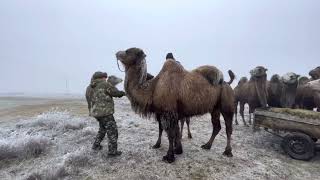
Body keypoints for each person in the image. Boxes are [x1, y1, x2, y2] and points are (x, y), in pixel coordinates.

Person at [85, 71, 126, 156]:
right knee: (113, 132)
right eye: (105, 77)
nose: (106, 79)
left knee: (102, 130)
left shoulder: (89, 87)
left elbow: (89, 100)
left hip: (96, 113)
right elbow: (115, 93)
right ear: (101, 77)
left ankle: (96, 145)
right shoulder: (104, 84)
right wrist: (123, 93)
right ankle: (112, 152)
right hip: (105, 113)